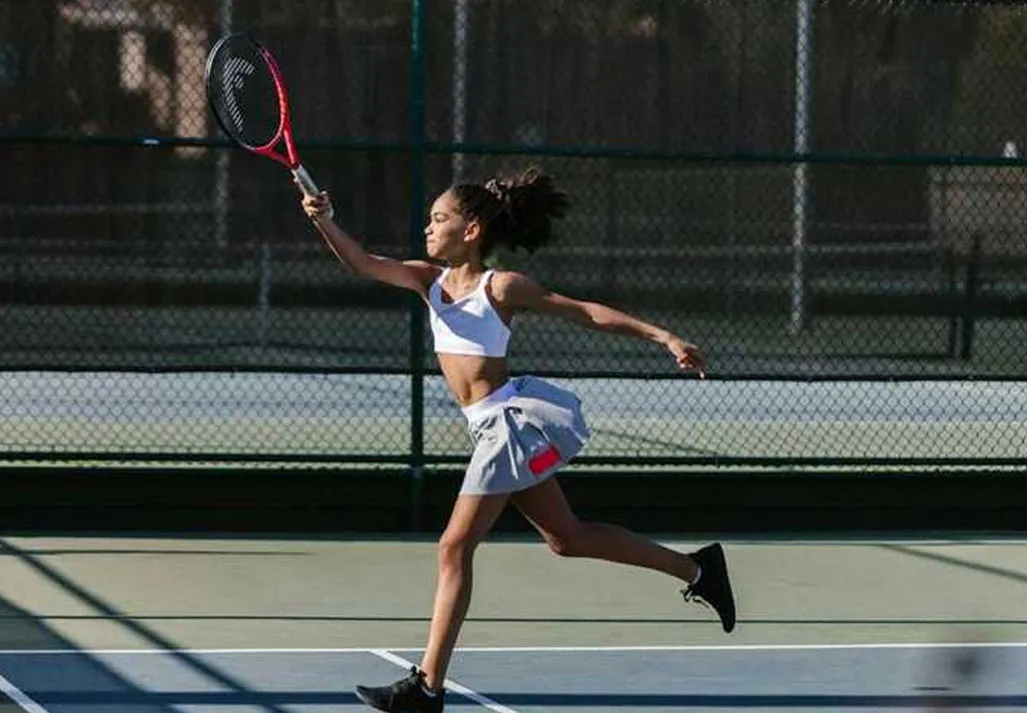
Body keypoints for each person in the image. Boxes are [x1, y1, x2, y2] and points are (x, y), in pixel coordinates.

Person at [300, 167, 736, 713]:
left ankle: (427, 687)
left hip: (508, 426)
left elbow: (585, 313)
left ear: (473, 229)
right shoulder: (426, 281)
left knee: (454, 547)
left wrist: (664, 336)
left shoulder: (499, 287)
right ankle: (698, 570)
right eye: (430, 219)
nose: (429, 228)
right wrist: (326, 222)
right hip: (491, 429)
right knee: (567, 538)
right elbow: (361, 262)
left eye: (440, 219)